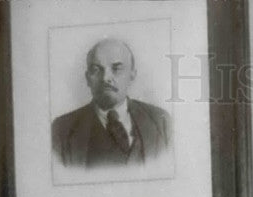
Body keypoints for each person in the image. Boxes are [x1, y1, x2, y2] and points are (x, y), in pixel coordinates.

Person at [51, 38, 172, 169]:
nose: (106, 78)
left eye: (117, 68)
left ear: (132, 75)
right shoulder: (61, 130)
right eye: (97, 69)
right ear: (87, 78)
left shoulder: (161, 121)